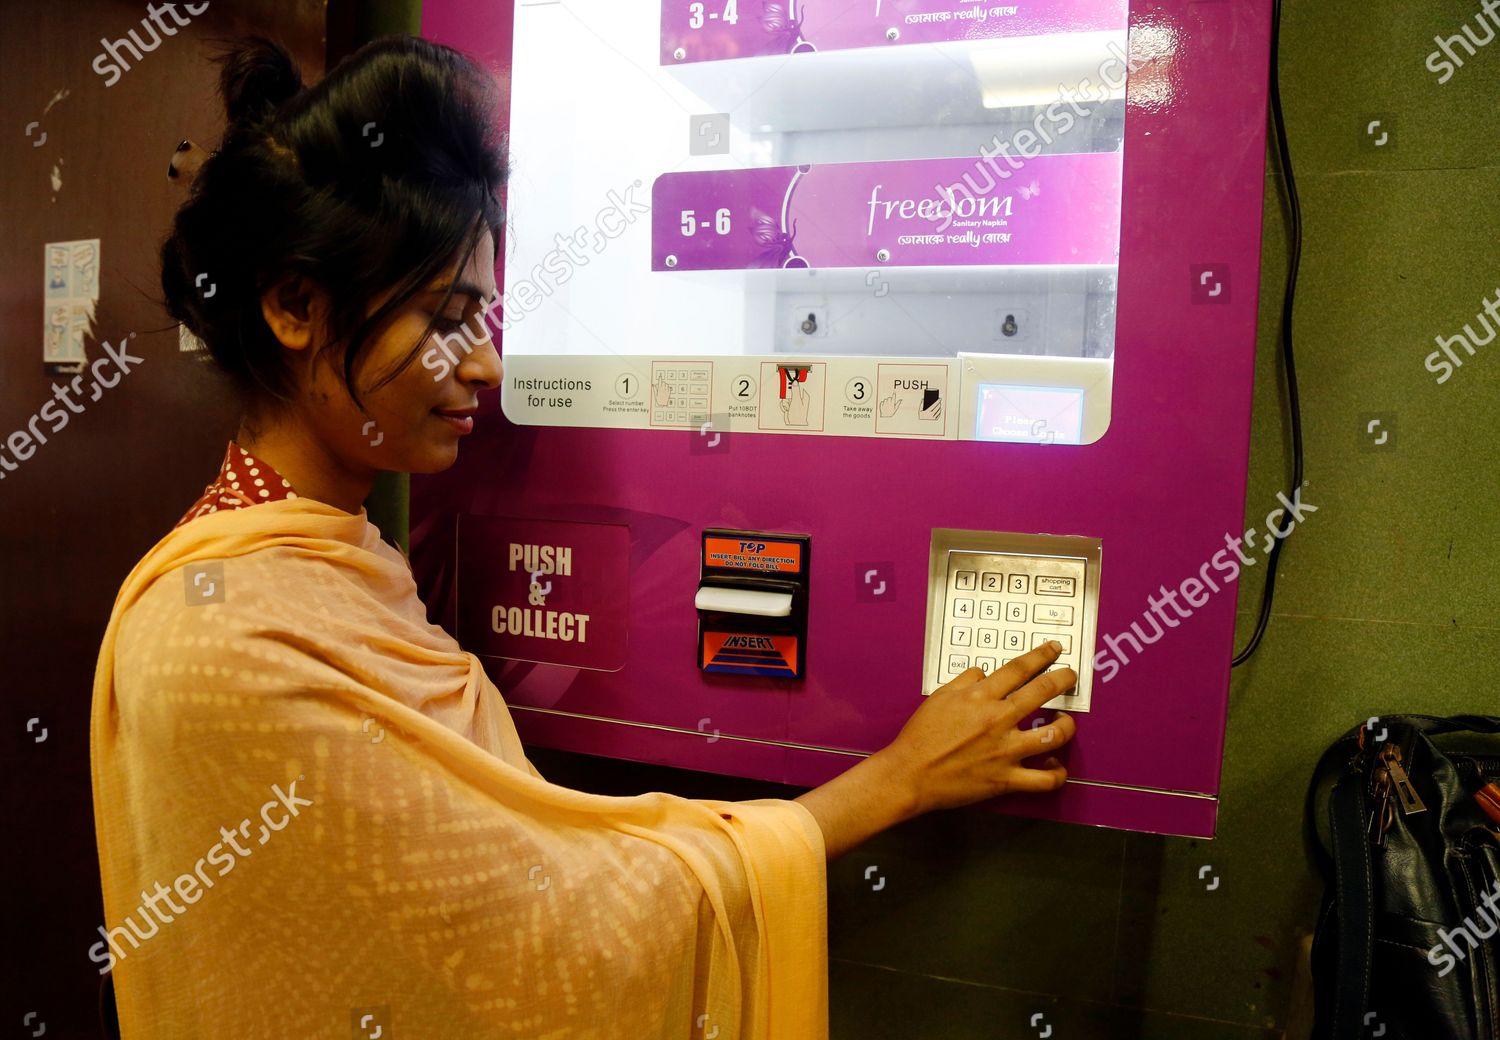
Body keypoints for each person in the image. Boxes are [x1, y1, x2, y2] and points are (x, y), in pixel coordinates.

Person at [91, 34, 1077, 1039]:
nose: (486, 366)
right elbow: (543, 930)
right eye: (444, 318)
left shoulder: (337, 563)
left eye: (484, 318)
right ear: (296, 307)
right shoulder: (220, 637)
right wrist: (898, 782)